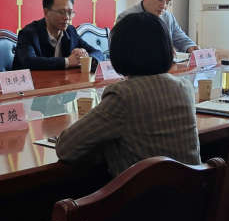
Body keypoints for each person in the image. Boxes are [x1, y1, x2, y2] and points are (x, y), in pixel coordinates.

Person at [55, 12, 201, 177]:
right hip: (191, 190)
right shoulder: (184, 87)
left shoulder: (123, 95)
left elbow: (65, 148)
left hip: (145, 192)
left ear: (120, 53)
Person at [13, 0, 105, 71]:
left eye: (70, 12)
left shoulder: (70, 31)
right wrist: (68, 61)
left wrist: (85, 58)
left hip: (63, 83)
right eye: (61, 12)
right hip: (34, 83)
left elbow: (98, 53)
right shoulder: (29, 33)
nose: (67, 17)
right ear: (46, 12)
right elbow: (29, 62)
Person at [115, 0, 198, 54]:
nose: (164, 6)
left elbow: (180, 38)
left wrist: (190, 46)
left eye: (168, 2)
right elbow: (121, 49)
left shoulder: (167, 17)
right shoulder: (126, 18)